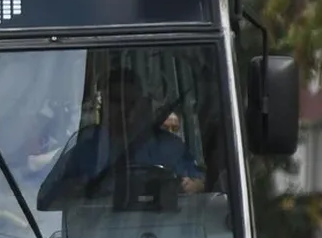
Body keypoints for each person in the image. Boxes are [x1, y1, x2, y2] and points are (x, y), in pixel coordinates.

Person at [37, 67, 205, 209]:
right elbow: (45, 199)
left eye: (131, 102)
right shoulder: (85, 145)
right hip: (96, 237)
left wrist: (192, 186)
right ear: (104, 106)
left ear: (143, 105)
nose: (125, 109)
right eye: (117, 101)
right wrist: (75, 189)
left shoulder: (169, 148)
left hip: (164, 234)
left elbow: (200, 185)